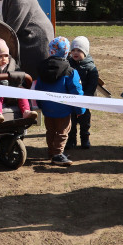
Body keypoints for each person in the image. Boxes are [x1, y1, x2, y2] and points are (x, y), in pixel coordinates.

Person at [33, 36, 83, 167]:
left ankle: (51, 151)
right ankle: (57, 154)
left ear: (50, 51)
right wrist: (80, 109)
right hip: (63, 109)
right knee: (62, 131)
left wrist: (40, 104)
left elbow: (37, 88)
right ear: (67, 52)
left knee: (50, 130)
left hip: (47, 108)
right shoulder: (70, 71)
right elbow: (76, 91)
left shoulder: (42, 68)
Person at [0, 36, 36, 122]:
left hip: (11, 91)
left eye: (6, 56)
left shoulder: (13, 65)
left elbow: (20, 76)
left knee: (22, 93)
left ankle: (26, 111)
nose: (4, 59)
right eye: (0, 56)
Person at [67, 36, 99, 150]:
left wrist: (87, 97)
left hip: (85, 99)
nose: (75, 53)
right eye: (73, 50)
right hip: (71, 99)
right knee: (71, 121)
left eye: (79, 50)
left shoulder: (90, 67)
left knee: (84, 121)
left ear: (85, 52)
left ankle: (85, 139)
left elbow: (93, 83)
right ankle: (71, 140)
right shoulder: (68, 64)